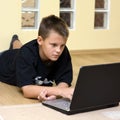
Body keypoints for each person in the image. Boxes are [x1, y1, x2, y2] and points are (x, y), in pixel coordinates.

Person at [0, 15, 74, 101]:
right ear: (40, 40)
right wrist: (59, 92)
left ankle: (15, 40)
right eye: (53, 45)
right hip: (4, 60)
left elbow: (64, 81)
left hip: (19, 53)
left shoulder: (62, 51)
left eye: (62, 45)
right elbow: (27, 90)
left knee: (19, 50)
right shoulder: (26, 53)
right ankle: (15, 41)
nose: (58, 50)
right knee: (20, 51)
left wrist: (55, 94)